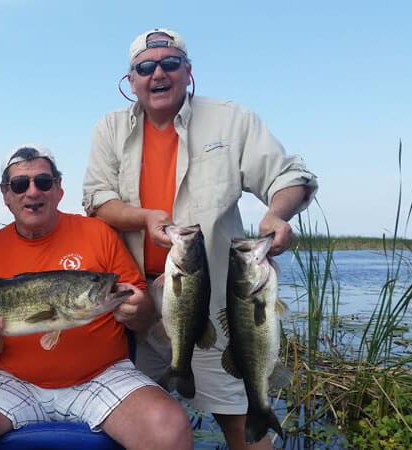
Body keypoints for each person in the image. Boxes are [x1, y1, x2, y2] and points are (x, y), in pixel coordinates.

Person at [82, 28, 318, 449]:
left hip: (215, 298)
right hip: (129, 299)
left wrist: (277, 215)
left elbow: (290, 176)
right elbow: (98, 200)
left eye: (170, 63)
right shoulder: (109, 129)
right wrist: (144, 217)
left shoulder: (231, 119)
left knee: (239, 416)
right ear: (130, 80)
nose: (158, 73)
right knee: (122, 423)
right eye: (145, 67)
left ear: (187, 73)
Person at [0, 145, 192, 450]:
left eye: (44, 182)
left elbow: (145, 317)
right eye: (20, 185)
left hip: (103, 376)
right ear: (6, 195)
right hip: (11, 381)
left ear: (59, 189)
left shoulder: (99, 233)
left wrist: (138, 308)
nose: (32, 192)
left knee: (169, 427)